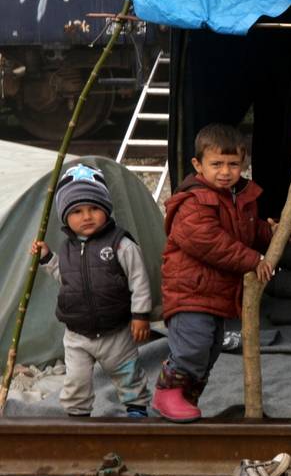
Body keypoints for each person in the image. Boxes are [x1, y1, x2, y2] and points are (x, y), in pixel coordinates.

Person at [152, 123, 276, 422]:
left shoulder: (238, 197)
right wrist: (253, 259)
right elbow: (209, 241)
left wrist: (267, 232)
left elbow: (242, 232)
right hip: (191, 291)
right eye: (216, 164)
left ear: (244, 163)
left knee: (209, 351)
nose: (225, 171)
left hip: (216, 294)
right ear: (198, 165)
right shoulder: (194, 201)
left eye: (233, 164)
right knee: (192, 347)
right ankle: (166, 393)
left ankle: (186, 399)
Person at [28, 164, 152, 418]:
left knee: (127, 374)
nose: (86, 216)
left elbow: (139, 280)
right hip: (77, 335)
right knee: (76, 381)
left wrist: (141, 315)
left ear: (106, 210)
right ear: (65, 217)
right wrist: (47, 258)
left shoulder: (121, 244)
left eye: (94, 208)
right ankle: (77, 416)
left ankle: (136, 410)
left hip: (115, 330)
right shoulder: (68, 248)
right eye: (76, 211)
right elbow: (67, 278)